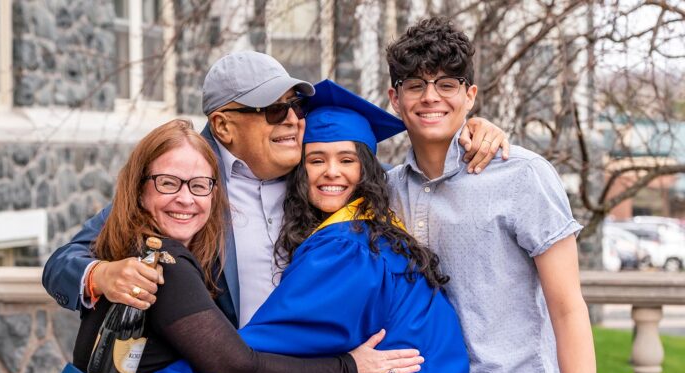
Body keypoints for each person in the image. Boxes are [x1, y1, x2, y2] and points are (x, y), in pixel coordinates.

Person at [95, 80, 470, 373]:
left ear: (368, 171)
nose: (331, 172)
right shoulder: (381, 232)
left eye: (347, 160)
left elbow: (266, 346)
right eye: (316, 160)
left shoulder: (347, 247)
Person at [41, 50, 509, 330]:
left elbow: (399, 176)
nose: (293, 120)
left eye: (295, 106)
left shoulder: (320, 178)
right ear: (223, 125)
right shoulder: (187, 186)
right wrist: (99, 277)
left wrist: (472, 132)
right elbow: (64, 262)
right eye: (272, 109)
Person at [384, 18, 598, 373]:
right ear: (395, 98)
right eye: (415, 85)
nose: (431, 97)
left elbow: (568, 307)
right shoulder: (387, 191)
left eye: (446, 84)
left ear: (470, 95)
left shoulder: (522, 175)